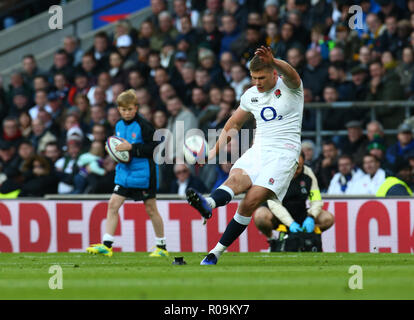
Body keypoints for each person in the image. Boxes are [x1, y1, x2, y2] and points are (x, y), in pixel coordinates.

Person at [186, 46, 303, 265]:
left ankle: (216, 252)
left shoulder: (290, 88)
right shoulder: (250, 95)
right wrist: (212, 152)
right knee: (235, 179)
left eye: (261, 77)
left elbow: (292, 74)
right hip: (259, 148)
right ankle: (209, 204)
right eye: (253, 78)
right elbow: (234, 123)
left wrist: (275, 60)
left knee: (250, 201)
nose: (257, 83)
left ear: (274, 73)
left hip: (284, 154)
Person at [86, 89, 168, 258]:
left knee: (151, 209)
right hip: (125, 173)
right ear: (119, 110)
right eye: (123, 109)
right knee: (113, 204)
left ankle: (161, 247)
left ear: (136, 108)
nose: (127, 112)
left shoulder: (144, 126)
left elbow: (154, 147)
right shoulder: (118, 125)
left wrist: (132, 147)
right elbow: (120, 149)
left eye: (130, 109)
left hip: (144, 174)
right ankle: (107, 245)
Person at [254, 153, 335, 251]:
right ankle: (272, 241)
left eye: (299, 168)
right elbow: (274, 204)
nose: (295, 171)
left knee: (328, 218)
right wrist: (290, 223)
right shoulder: (276, 173)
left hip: (299, 212)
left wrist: (311, 216)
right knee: (260, 216)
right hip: (276, 214)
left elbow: (316, 199)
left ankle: (305, 237)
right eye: (293, 168)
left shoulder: (308, 173)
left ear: (303, 163)